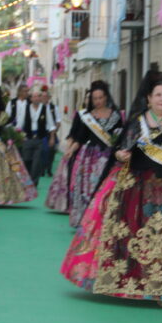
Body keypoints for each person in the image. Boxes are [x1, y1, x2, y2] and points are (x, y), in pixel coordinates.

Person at [60, 71, 162, 307]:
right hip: (138, 188)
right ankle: (130, 282)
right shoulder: (138, 122)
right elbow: (121, 150)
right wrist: (120, 154)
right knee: (133, 234)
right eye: (158, 95)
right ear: (148, 98)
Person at [64, 81, 123, 227]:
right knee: (87, 188)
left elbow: (121, 136)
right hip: (89, 158)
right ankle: (86, 219)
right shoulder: (87, 116)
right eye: (95, 98)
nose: (97, 101)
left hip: (108, 157)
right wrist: (71, 149)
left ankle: (104, 219)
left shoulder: (116, 116)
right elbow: (80, 138)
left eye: (100, 97)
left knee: (106, 187)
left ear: (106, 97)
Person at [20, 88, 56, 185]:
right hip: (27, 138)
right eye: (34, 96)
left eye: (38, 96)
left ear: (40, 98)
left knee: (37, 162)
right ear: (31, 98)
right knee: (27, 160)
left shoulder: (45, 108)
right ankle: (27, 179)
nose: (36, 98)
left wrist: (52, 138)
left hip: (40, 139)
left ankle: (34, 183)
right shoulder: (25, 108)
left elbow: (51, 124)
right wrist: (20, 136)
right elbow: (20, 123)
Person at [41, 88, 62, 176]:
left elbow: (58, 121)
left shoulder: (54, 107)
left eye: (46, 96)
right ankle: (42, 169)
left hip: (51, 132)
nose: (44, 98)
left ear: (49, 97)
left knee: (51, 152)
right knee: (42, 152)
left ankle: (49, 169)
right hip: (42, 132)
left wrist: (54, 130)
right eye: (42, 96)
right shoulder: (38, 107)